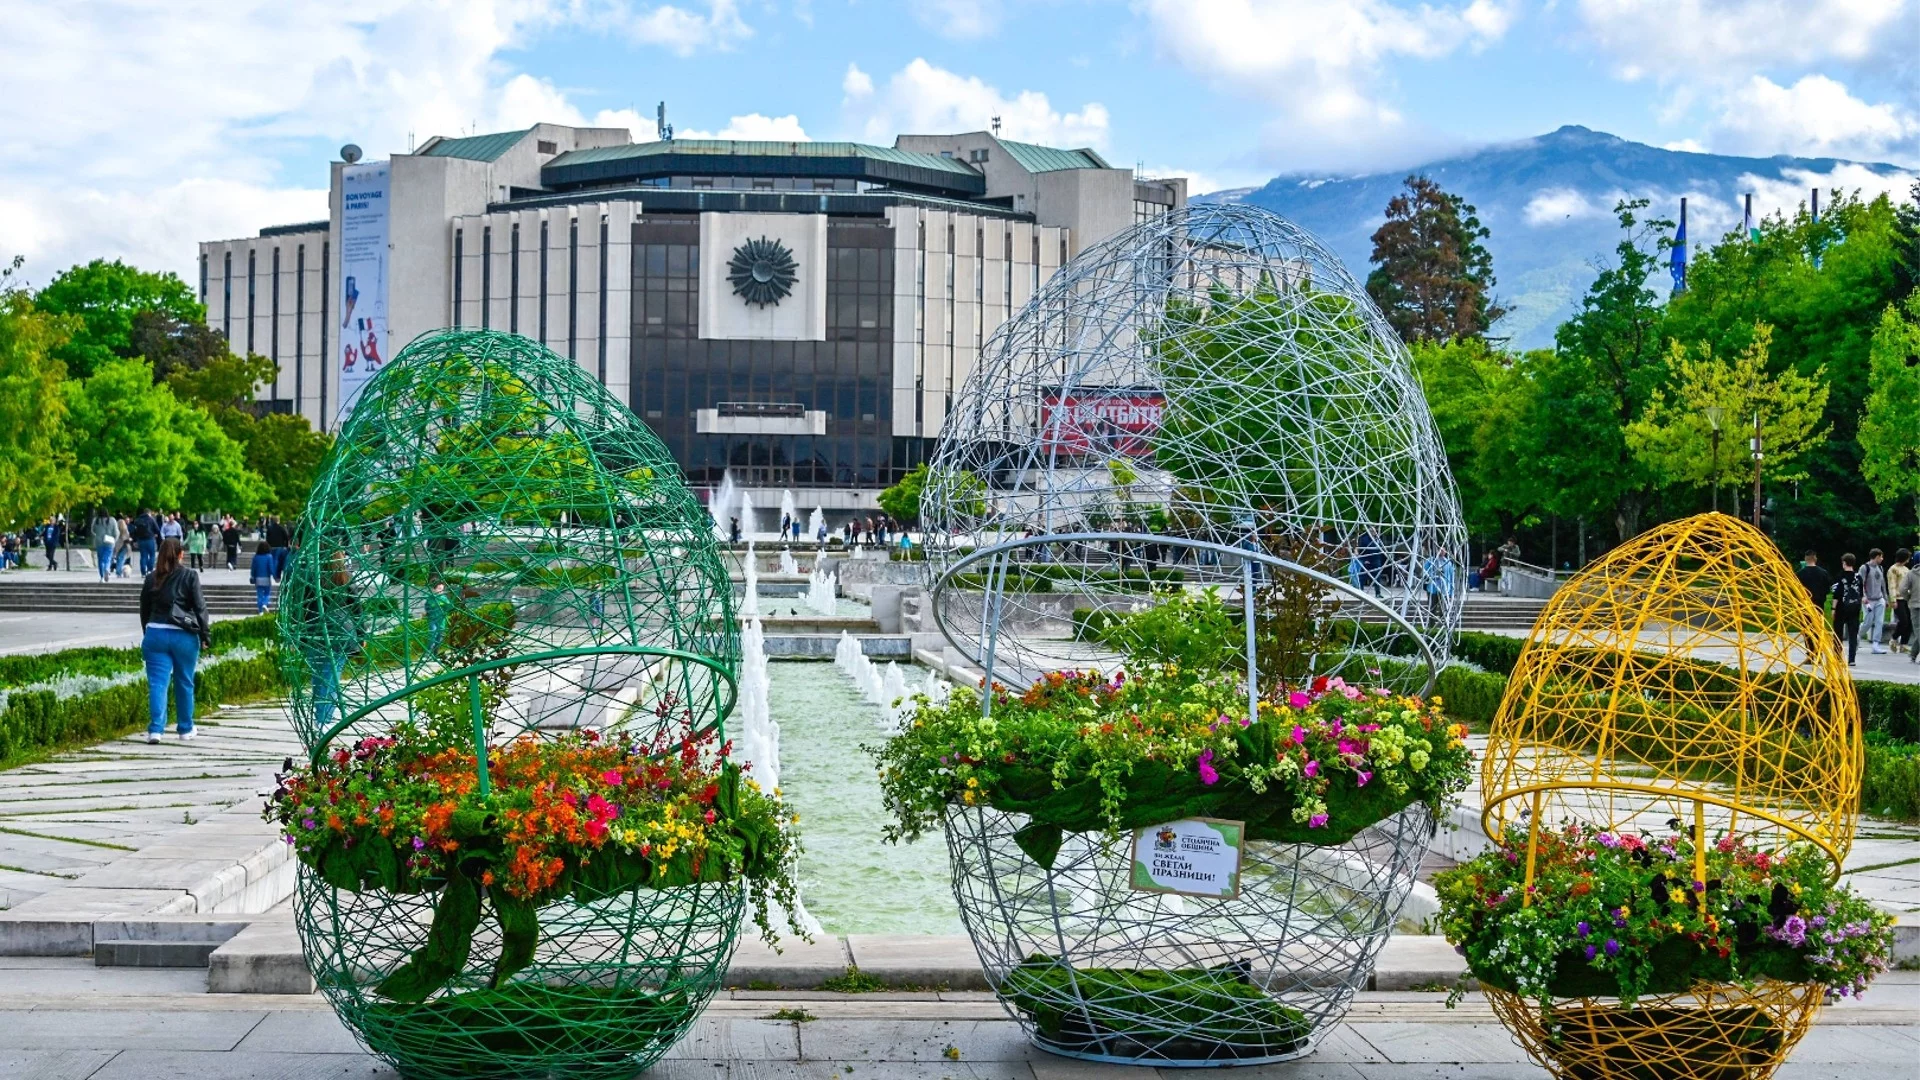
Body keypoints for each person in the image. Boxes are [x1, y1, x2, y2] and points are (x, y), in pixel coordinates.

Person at [139, 537, 210, 743]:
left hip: (155, 634)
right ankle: (185, 729)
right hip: (183, 635)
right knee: (184, 682)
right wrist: (205, 635)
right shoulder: (189, 575)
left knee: (157, 684)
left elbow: (144, 609)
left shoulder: (152, 578)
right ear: (181, 555)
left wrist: (148, 632)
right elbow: (200, 607)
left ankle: (156, 730)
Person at [1831, 553, 1863, 666]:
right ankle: (1852, 659)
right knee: (1853, 635)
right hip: (1854, 608)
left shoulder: (1840, 576)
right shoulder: (1858, 577)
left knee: (1838, 633)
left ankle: (1837, 657)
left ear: (1844, 563)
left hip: (1841, 608)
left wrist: (1833, 608)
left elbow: (1836, 594)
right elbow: (1861, 594)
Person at [1862, 548, 1890, 655]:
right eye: (1881, 557)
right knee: (1867, 622)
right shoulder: (1864, 568)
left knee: (1879, 622)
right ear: (1877, 557)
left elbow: (1883, 585)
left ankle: (1876, 644)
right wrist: (1863, 596)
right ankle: (1857, 636)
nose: (1882, 559)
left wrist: (1886, 599)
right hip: (1868, 600)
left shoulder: (1881, 568)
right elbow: (1861, 583)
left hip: (1879, 599)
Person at [1894, 549, 1915, 655]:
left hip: (1907, 598)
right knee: (1903, 621)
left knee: (1910, 621)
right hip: (1898, 598)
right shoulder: (1893, 569)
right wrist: (1893, 599)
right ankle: (1894, 638)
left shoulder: (1907, 570)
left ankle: (1904, 644)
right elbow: (1892, 585)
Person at [90, 511, 119, 584]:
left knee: (100, 560)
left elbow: (92, 530)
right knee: (108, 558)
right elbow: (116, 532)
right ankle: (106, 569)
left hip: (99, 542)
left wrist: (97, 535)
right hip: (109, 542)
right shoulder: (112, 520)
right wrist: (114, 540)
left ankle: (102, 577)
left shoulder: (96, 520)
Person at [249, 541, 276, 614]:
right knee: (267, 593)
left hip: (258, 579)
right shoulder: (269, 557)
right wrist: (274, 575)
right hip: (266, 578)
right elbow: (271, 568)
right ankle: (264, 604)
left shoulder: (256, 557)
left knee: (259, 595)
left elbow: (253, 568)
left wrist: (252, 576)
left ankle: (260, 610)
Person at [130, 509, 158, 575]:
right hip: (150, 539)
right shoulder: (151, 519)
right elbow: (157, 529)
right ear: (149, 513)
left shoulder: (137, 520)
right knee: (152, 555)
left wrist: (135, 540)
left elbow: (135, 531)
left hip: (141, 540)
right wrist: (154, 533)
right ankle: (150, 569)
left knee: (143, 556)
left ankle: (143, 572)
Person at [264, 516, 292, 582]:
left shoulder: (270, 528)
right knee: (277, 560)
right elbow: (286, 537)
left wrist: (269, 545)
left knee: (273, 560)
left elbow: (267, 538)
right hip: (280, 546)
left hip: (272, 547)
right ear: (278, 521)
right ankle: (276, 575)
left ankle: (274, 574)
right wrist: (285, 545)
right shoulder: (281, 528)